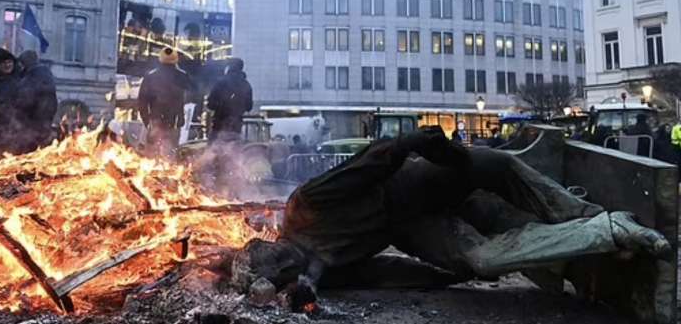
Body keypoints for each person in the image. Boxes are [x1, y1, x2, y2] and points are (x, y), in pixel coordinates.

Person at [233, 128, 670, 305]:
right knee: (482, 261)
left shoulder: (304, 205)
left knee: (498, 168)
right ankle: (604, 232)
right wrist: (445, 276)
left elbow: (380, 154)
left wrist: (440, 151)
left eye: (281, 258)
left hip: (416, 183)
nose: (291, 265)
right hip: (409, 226)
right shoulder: (315, 274)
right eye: (283, 272)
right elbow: (386, 270)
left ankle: (591, 213)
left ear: (276, 243)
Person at [138, 47, 193, 155]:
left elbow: (142, 101)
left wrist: (147, 120)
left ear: (160, 59)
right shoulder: (183, 76)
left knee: (151, 155)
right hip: (175, 121)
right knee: (170, 154)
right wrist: (182, 118)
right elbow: (191, 96)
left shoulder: (150, 76)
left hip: (155, 120)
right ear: (176, 59)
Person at [13, 50, 58, 154]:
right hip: (42, 122)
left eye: (22, 63)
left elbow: (25, 99)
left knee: (30, 152)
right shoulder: (44, 74)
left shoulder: (33, 76)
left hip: (34, 123)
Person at [206, 58, 253, 143]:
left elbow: (210, 104)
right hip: (237, 125)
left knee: (213, 150)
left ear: (229, 67)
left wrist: (220, 107)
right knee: (234, 151)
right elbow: (249, 106)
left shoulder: (221, 82)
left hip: (219, 124)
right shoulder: (246, 84)